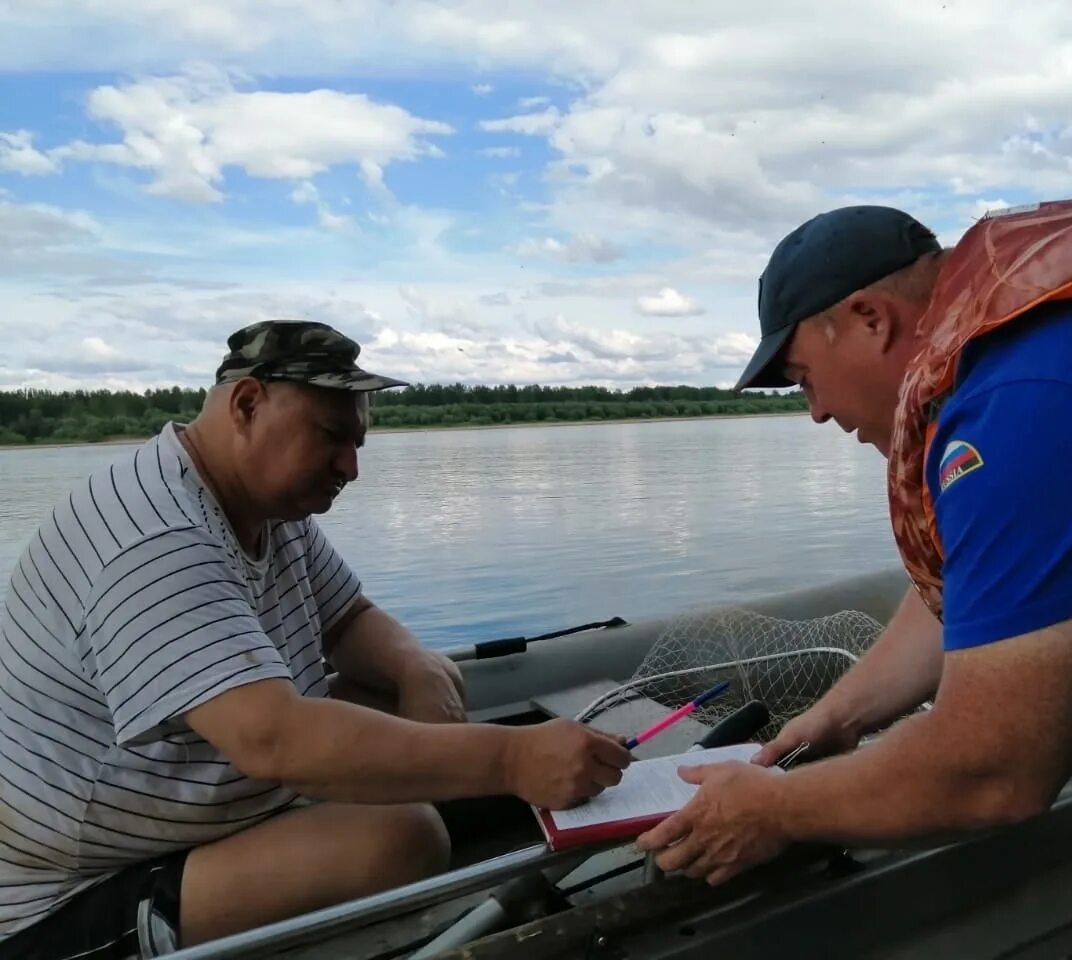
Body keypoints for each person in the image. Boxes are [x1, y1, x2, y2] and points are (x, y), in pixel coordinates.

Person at [636, 195, 1072, 885]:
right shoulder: (1055, 338)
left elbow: (996, 769)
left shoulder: (1024, 409)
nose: (817, 412)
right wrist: (838, 715)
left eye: (803, 380)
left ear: (870, 319)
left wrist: (777, 811)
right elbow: (998, 581)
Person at [0, 320, 630, 959]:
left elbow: (349, 618)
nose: (350, 468)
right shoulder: (155, 537)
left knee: (378, 700)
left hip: (177, 804)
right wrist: (510, 761)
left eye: (357, 442)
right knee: (401, 840)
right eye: (331, 437)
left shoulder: (259, 504)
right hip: (62, 898)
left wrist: (418, 667)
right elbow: (272, 738)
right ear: (248, 405)